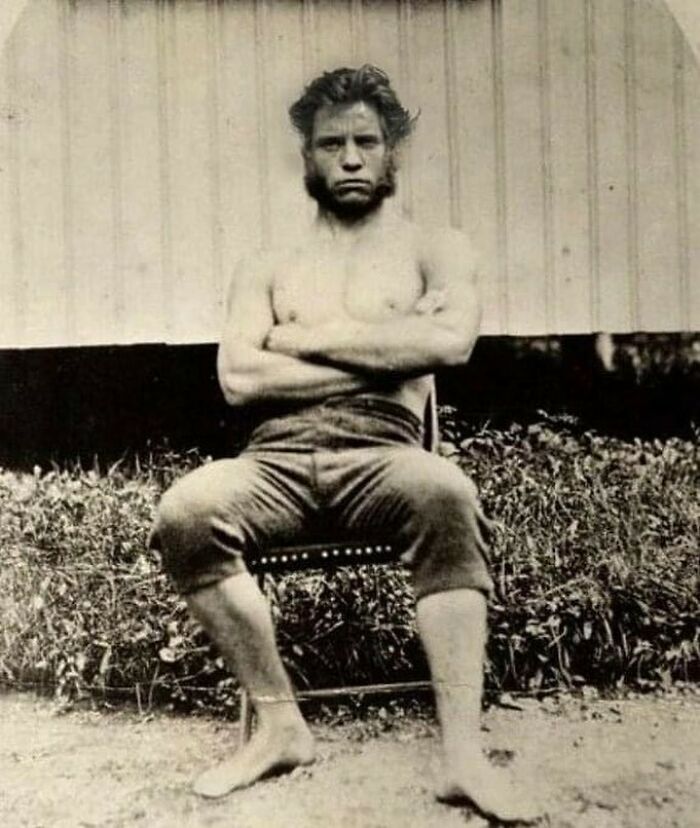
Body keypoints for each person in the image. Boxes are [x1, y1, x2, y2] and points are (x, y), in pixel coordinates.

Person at [151, 65, 541, 824]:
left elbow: (451, 343)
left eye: (368, 140)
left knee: (447, 491)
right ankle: (280, 726)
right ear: (308, 158)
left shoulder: (437, 247)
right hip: (275, 463)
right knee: (187, 510)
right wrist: (388, 347)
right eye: (333, 144)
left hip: (386, 456)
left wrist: (312, 339)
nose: (352, 157)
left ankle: (463, 757)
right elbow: (237, 377)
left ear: (394, 151)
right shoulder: (266, 265)